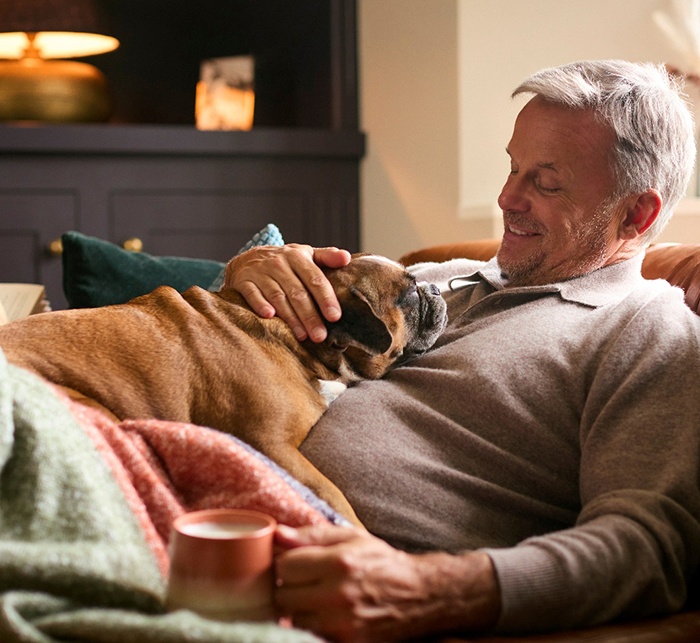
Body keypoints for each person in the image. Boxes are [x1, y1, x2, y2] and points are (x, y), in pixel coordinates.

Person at [223, 60, 700, 642]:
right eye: (512, 167)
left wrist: (434, 589)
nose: (506, 198)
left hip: (311, 572)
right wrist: (257, 272)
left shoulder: (650, 333)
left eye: (546, 182)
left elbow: (648, 546)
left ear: (637, 213)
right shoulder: (437, 276)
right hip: (215, 502)